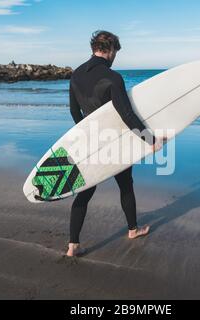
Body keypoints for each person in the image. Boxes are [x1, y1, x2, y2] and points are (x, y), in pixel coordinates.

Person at [67, 30, 165, 257]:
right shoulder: (113, 77)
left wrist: (85, 133)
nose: (115, 58)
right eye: (115, 53)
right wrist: (150, 140)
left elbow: (74, 110)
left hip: (90, 141)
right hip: (114, 143)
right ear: (110, 50)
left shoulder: (76, 75)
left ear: (94, 48)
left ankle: (73, 245)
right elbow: (127, 115)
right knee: (125, 185)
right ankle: (133, 229)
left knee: (85, 191)